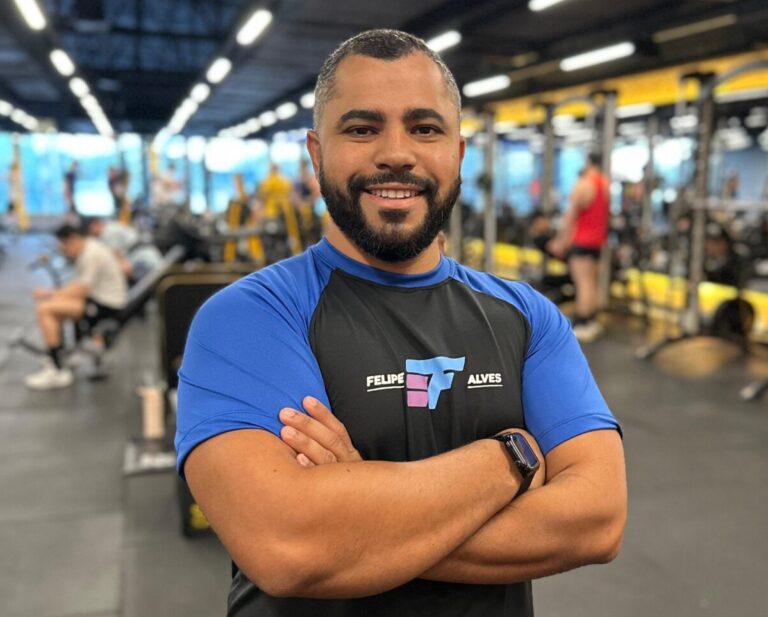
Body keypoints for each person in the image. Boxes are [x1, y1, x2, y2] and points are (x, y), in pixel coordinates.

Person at [177, 30, 626, 617]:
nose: (396, 153)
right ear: (316, 154)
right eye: (362, 129)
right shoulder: (248, 317)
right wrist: (511, 458)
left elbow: (597, 520)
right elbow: (288, 545)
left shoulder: (529, 317)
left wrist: (358, 515)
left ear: (457, 154)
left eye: (424, 128)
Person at [25, 223, 128, 390]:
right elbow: (79, 284)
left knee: (45, 309)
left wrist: (49, 294)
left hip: (107, 305)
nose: (64, 250)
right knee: (51, 306)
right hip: (98, 299)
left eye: (64, 245)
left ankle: (57, 370)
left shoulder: (92, 254)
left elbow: (81, 289)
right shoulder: (89, 248)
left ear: (73, 239)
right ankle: (58, 359)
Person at [548, 153, 610, 342]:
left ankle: (583, 322)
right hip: (597, 242)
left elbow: (571, 215)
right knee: (591, 282)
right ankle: (591, 320)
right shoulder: (604, 184)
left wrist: (560, 241)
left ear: (588, 162)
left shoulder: (585, 184)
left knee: (582, 283)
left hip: (582, 241)